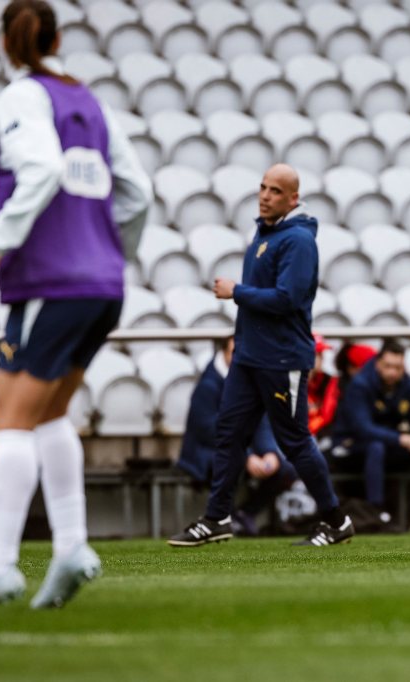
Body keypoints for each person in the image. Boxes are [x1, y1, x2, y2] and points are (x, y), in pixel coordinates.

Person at [0, 0, 152, 615]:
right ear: (57, 39)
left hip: (50, 284)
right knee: (52, 414)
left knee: (9, 421)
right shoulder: (89, 101)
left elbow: (41, 168)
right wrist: (111, 253)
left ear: (7, 44)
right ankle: (71, 548)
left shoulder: (21, 96)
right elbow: (139, 193)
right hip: (103, 286)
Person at [168, 164, 354, 547]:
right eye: (263, 187)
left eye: (275, 190)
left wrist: (236, 291)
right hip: (249, 357)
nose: (265, 196)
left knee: (294, 441)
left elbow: (288, 299)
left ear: (293, 198)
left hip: (281, 359)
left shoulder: (298, 240)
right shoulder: (265, 232)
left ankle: (336, 521)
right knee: (229, 433)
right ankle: (217, 517)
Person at [177, 336, 298, 536]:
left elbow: (262, 419)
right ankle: (222, 518)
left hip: (241, 448)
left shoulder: (252, 380)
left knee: (286, 469)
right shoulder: (208, 385)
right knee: (230, 463)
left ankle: (245, 514)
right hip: (205, 452)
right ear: (223, 353)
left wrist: (269, 452)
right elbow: (210, 431)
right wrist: (247, 456)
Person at [333, 339, 410, 530]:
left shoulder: (407, 383)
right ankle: (377, 514)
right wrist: (403, 439)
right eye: (388, 366)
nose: (393, 372)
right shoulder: (360, 384)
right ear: (378, 363)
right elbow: (363, 429)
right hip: (353, 447)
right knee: (376, 447)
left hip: (392, 445)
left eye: (398, 367)